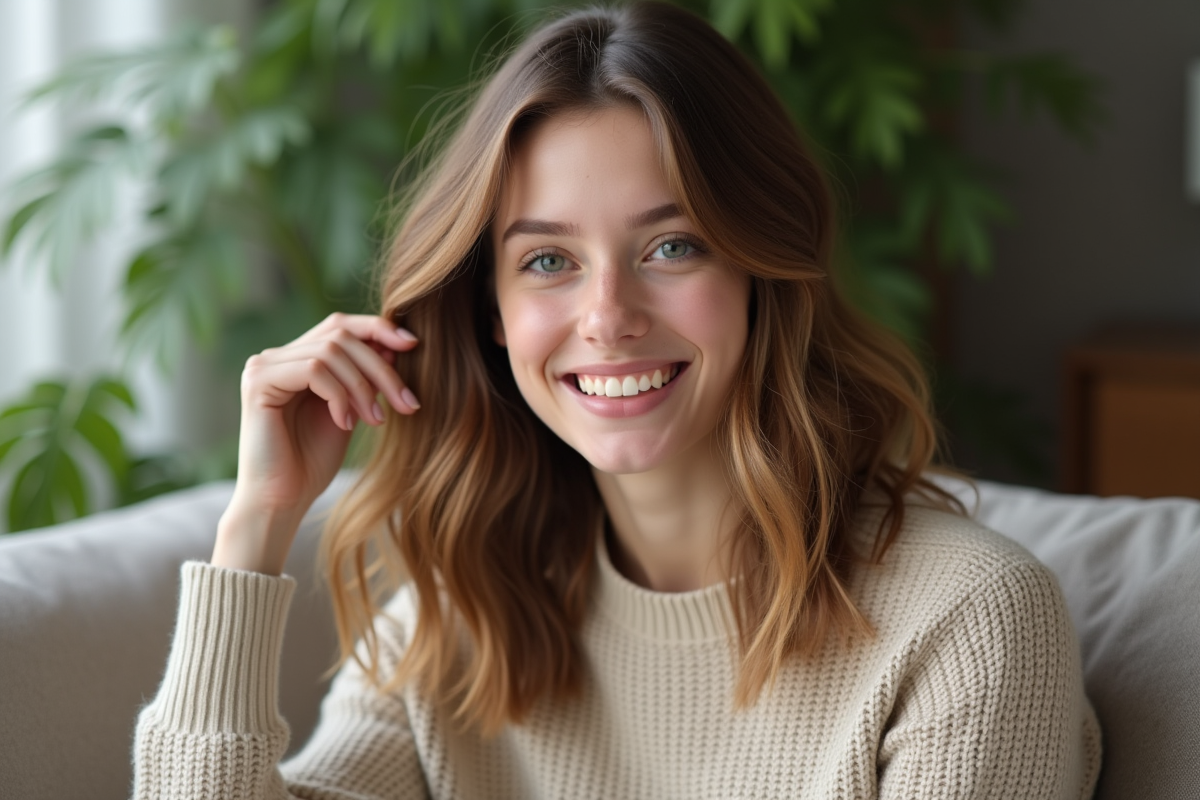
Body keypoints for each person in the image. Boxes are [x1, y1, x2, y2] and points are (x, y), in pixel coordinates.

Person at [132, 2, 1102, 797]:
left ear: (765, 268)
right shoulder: (457, 618)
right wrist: (255, 526)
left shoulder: (969, 618)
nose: (607, 316)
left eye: (671, 245)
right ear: (493, 312)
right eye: (548, 260)